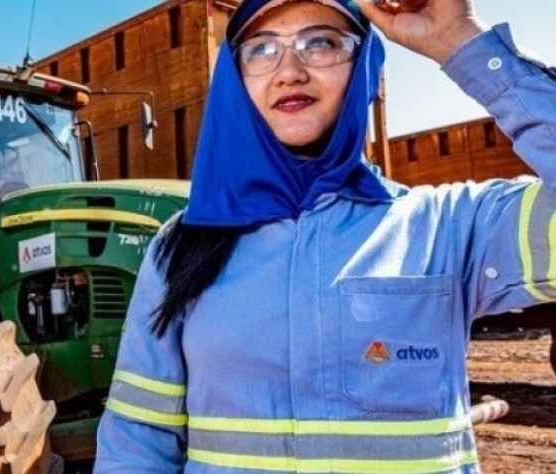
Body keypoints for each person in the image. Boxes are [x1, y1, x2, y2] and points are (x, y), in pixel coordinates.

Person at [94, 0, 556, 472]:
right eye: (261, 49)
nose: (289, 71)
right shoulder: (181, 246)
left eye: (320, 43)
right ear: (236, 80)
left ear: (364, 68)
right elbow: (136, 443)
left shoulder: (449, 225)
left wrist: (461, 40)